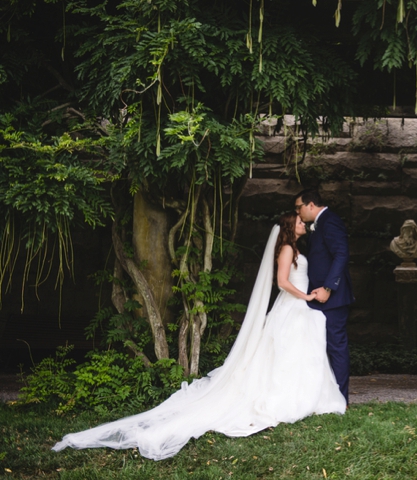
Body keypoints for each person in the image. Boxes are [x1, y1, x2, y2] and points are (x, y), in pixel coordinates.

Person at [52, 212, 345, 461]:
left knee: (296, 355)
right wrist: (306, 295)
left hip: (299, 309)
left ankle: (303, 396)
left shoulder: (294, 249)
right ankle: (286, 399)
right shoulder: (285, 251)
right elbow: (282, 282)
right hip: (292, 306)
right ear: (288, 227)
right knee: (285, 355)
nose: (303, 224)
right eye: (298, 222)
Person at [294, 189, 354, 403]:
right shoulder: (319, 225)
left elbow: (341, 253)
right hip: (318, 296)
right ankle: (323, 396)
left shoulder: (330, 221)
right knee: (319, 345)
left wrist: (328, 288)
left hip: (333, 298)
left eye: (298, 207)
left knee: (336, 346)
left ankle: (340, 399)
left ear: (310, 204)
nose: (297, 212)